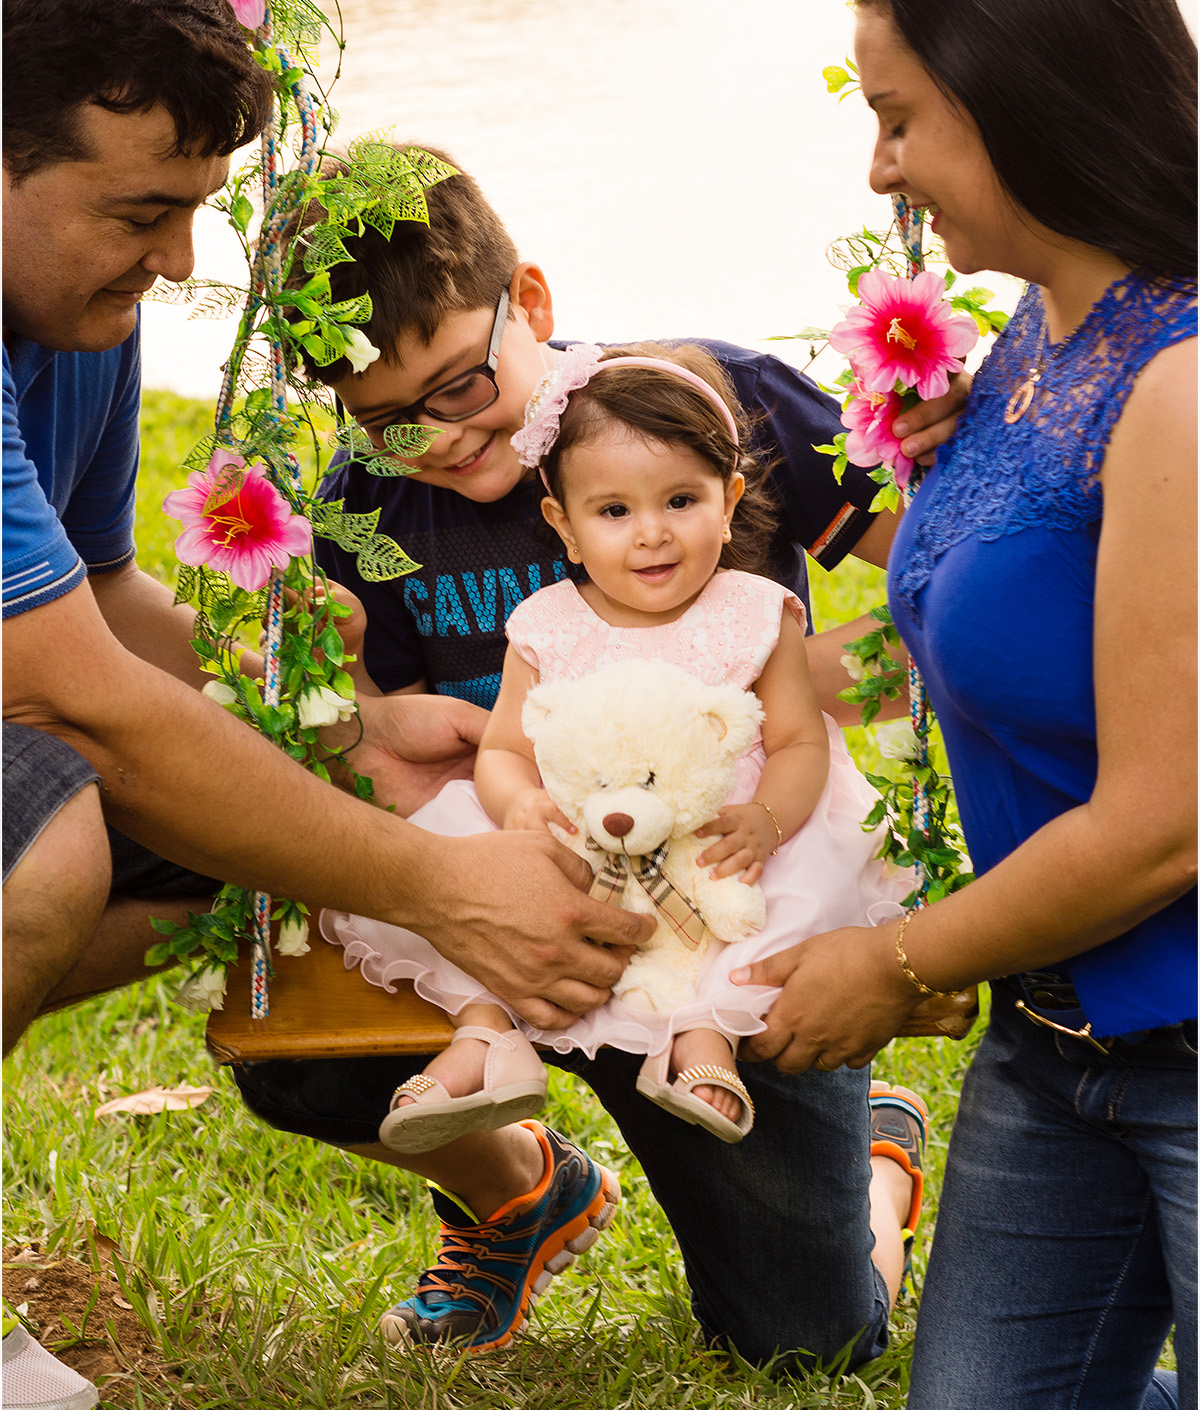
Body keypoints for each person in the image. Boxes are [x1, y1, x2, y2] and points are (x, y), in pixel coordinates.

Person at [2, 0, 653, 1410]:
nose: (173, 259)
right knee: (38, 868)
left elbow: (99, 597)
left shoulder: (80, 317)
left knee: (218, 864)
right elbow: (68, 692)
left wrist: (341, 725)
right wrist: (452, 892)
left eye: (195, 212)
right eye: (137, 211)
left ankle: (525, 1192)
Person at [234, 154, 965, 1363]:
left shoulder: (707, 407)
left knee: (808, 1339)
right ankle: (522, 1185)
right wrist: (348, 696)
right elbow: (382, 759)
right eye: (386, 416)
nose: (437, 433)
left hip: (713, 931)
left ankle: (873, 1159)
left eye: (461, 382)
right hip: (505, 924)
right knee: (298, 1061)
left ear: (528, 302)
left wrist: (790, 682)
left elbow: (960, 576)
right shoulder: (367, 506)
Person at [730, 0, 1196, 1410]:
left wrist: (904, 959)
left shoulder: (1182, 387)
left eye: (903, 120)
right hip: (1061, 1043)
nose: (883, 168)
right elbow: (990, 638)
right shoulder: (1039, 333)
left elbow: (1163, 821)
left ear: (1026, 97)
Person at [324, 341, 910, 1151]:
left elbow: (802, 741)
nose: (651, 537)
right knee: (449, 857)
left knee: (776, 892)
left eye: (680, 501)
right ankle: (486, 1037)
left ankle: (702, 1034)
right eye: (614, 512)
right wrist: (518, 803)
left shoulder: (753, 611)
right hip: (578, 832)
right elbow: (501, 752)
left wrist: (770, 820)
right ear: (562, 524)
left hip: (714, 831)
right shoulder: (546, 625)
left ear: (731, 499)